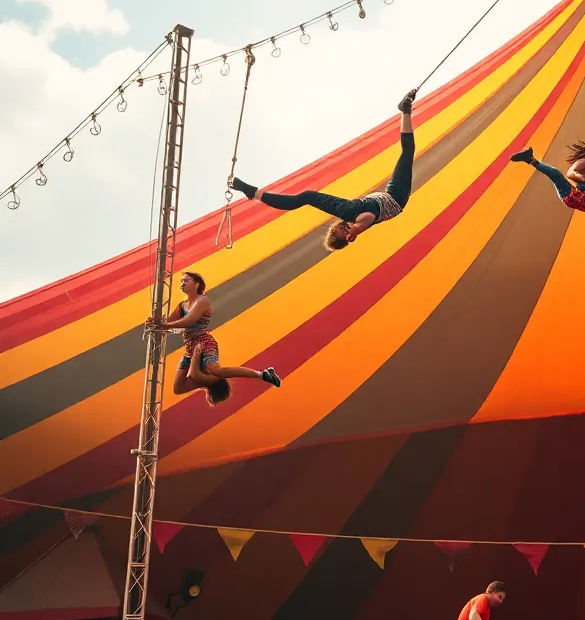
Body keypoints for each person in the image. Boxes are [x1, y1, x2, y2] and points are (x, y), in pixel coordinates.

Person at [230, 90, 418, 251]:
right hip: (389, 198)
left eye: (337, 232)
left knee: (306, 197)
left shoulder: (352, 217)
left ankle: (254, 193)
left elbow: (361, 223)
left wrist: (353, 232)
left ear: (335, 230)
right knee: (306, 197)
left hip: (383, 201)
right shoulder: (357, 222)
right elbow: (361, 224)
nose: (341, 231)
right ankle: (405, 110)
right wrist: (353, 232)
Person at [147, 271, 281, 406]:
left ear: (196, 284)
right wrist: (157, 324)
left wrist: (163, 325)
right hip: (192, 348)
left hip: (203, 343)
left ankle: (261, 374)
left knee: (210, 372)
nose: (182, 284)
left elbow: (189, 320)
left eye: (186, 281)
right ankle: (262, 375)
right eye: (181, 281)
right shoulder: (183, 305)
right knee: (208, 374)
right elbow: (169, 323)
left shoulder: (202, 301)